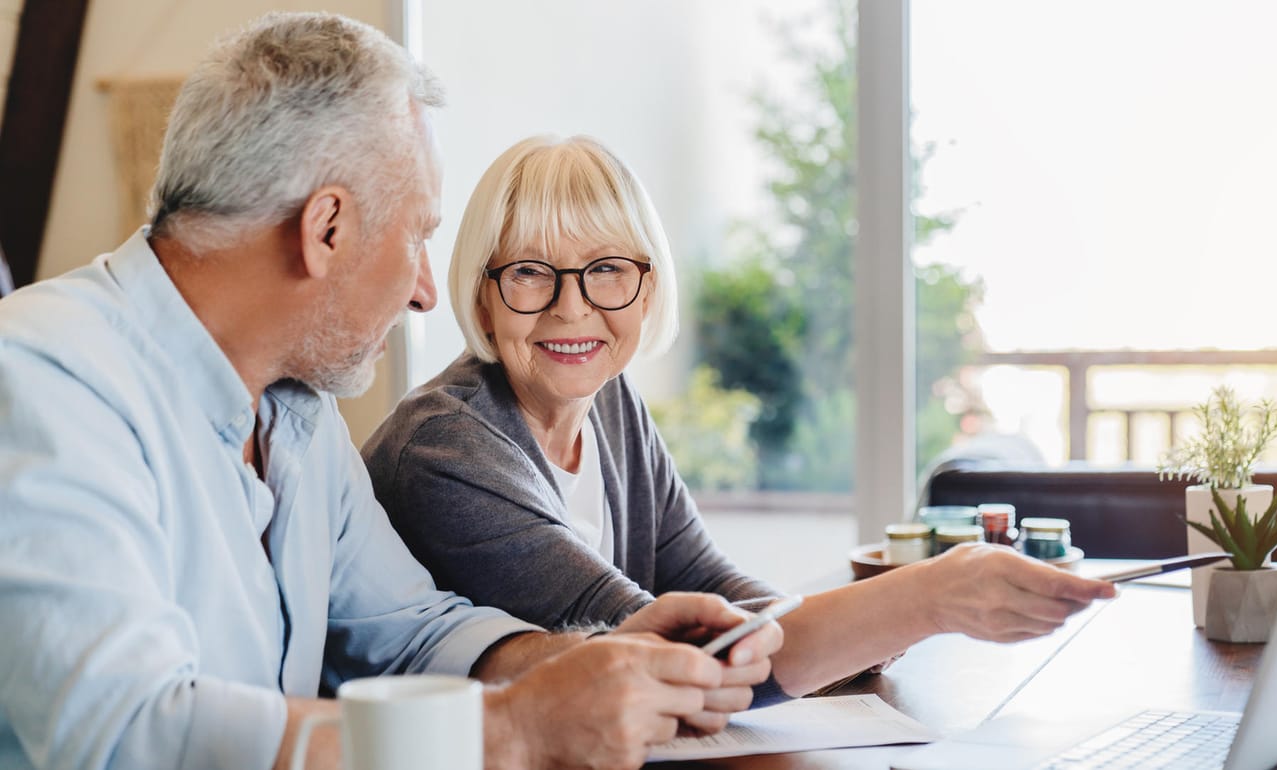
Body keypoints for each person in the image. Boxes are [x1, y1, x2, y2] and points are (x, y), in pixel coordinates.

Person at [0, 16, 782, 770]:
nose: (424, 293)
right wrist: (509, 732)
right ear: (327, 229)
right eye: (417, 236)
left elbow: (411, 631)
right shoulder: (41, 377)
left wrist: (592, 661)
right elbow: (122, 730)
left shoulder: (298, 413)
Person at [362, 134, 1118, 700]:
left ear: (647, 289)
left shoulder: (611, 403)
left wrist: (848, 635)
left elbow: (706, 581)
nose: (572, 306)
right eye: (530, 271)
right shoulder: (446, 448)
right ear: (483, 293)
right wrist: (919, 600)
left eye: (606, 271)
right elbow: (668, 654)